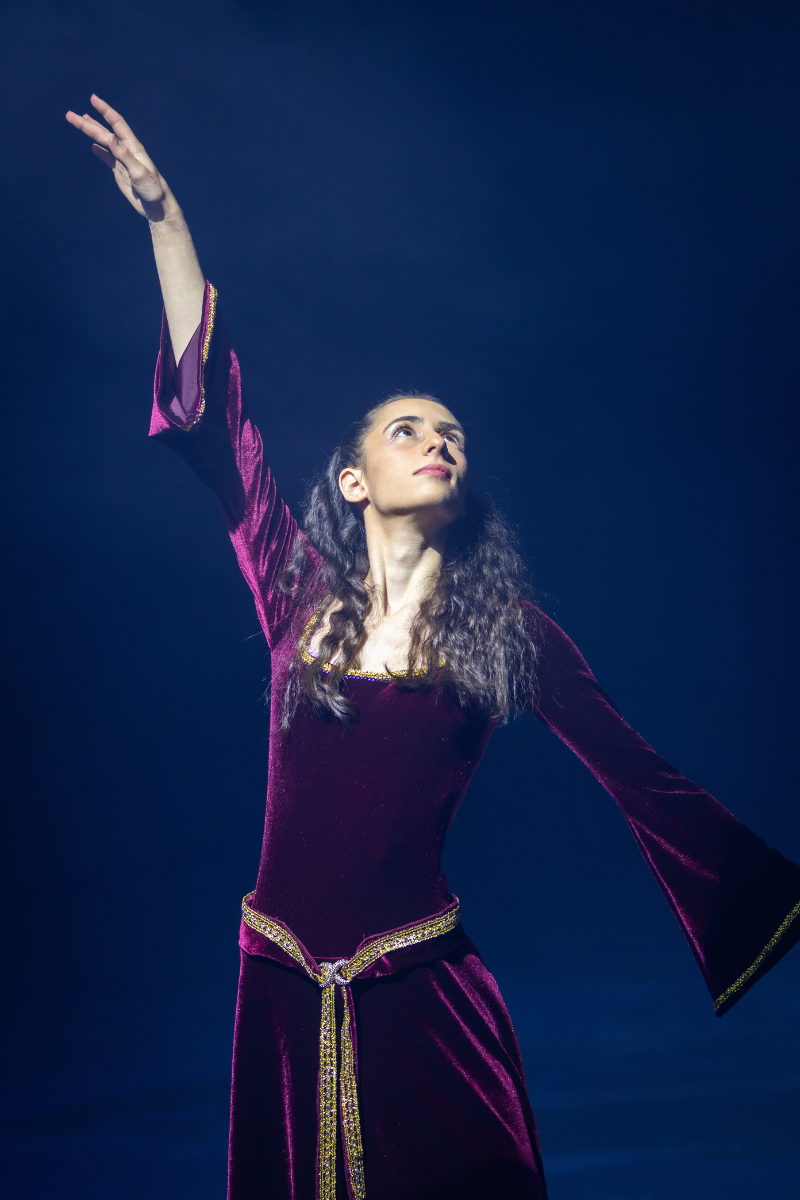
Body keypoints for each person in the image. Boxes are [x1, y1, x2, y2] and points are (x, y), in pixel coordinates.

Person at [67, 96, 800, 1200]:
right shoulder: (292, 586)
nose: (437, 440)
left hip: (424, 992)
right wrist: (166, 221)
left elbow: (638, 776)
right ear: (353, 479)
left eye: (451, 432)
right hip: (275, 977)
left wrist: (766, 898)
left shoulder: (508, 633)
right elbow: (217, 416)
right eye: (406, 428)